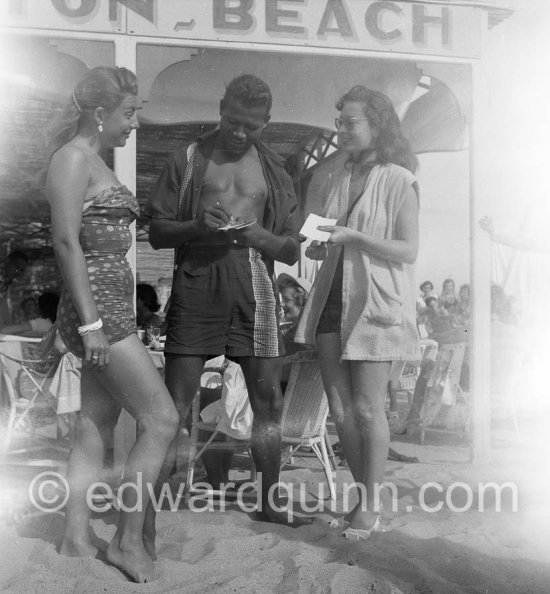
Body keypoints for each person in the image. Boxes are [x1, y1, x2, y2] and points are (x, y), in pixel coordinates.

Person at [147, 74, 301, 525]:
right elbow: (156, 233)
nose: (239, 132)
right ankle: (149, 507)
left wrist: (259, 236)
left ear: (265, 123)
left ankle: (270, 503)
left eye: (251, 126)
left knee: (267, 401)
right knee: (175, 402)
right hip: (197, 281)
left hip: (253, 280)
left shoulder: (275, 170)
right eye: (233, 120)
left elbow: (291, 249)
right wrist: (197, 226)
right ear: (220, 108)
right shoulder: (188, 160)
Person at [45, 66, 178, 583]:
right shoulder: (72, 159)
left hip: (105, 308)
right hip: (99, 312)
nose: (135, 123)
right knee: (161, 420)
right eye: (129, 113)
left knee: (95, 423)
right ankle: (125, 540)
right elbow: (65, 243)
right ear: (100, 114)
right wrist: (92, 325)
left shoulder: (88, 159)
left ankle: (76, 536)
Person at [295, 85, 420, 539]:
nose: (342, 130)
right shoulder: (330, 175)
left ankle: (370, 506)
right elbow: (314, 235)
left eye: (351, 123)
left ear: (378, 124)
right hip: (330, 298)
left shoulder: (399, 179)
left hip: (374, 301)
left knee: (369, 410)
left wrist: (355, 238)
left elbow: (408, 250)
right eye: (339, 122)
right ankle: (358, 499)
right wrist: (313, 242)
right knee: (341, 410)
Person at [0, 250, 28, 327]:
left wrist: (8, 324)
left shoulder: (7, 279)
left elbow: (2, 301)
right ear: (7, 261)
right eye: (16, 267)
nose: (18, 272)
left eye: (21, 270)